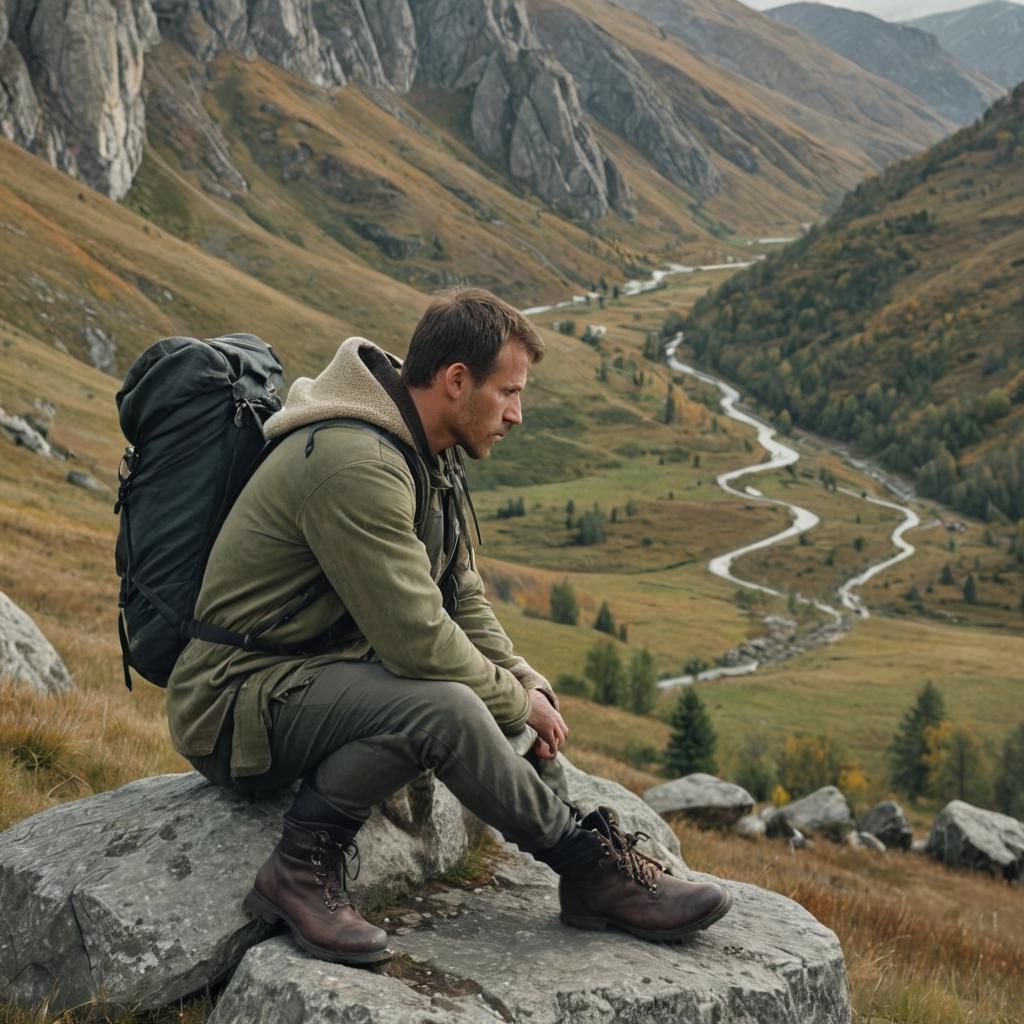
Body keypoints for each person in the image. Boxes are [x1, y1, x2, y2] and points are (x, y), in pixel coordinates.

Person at [166, 287, 732, 965]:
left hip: (310, 679)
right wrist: (508, 699)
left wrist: (521, 681)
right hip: (233, 702)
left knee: (487, 697)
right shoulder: (357, 463)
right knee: (446, 705)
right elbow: (416, 643)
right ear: (456, 380)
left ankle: (594, 871)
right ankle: (303, 871)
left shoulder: (424, 449)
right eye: (509, 393)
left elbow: (457, 592)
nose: (518, 414)